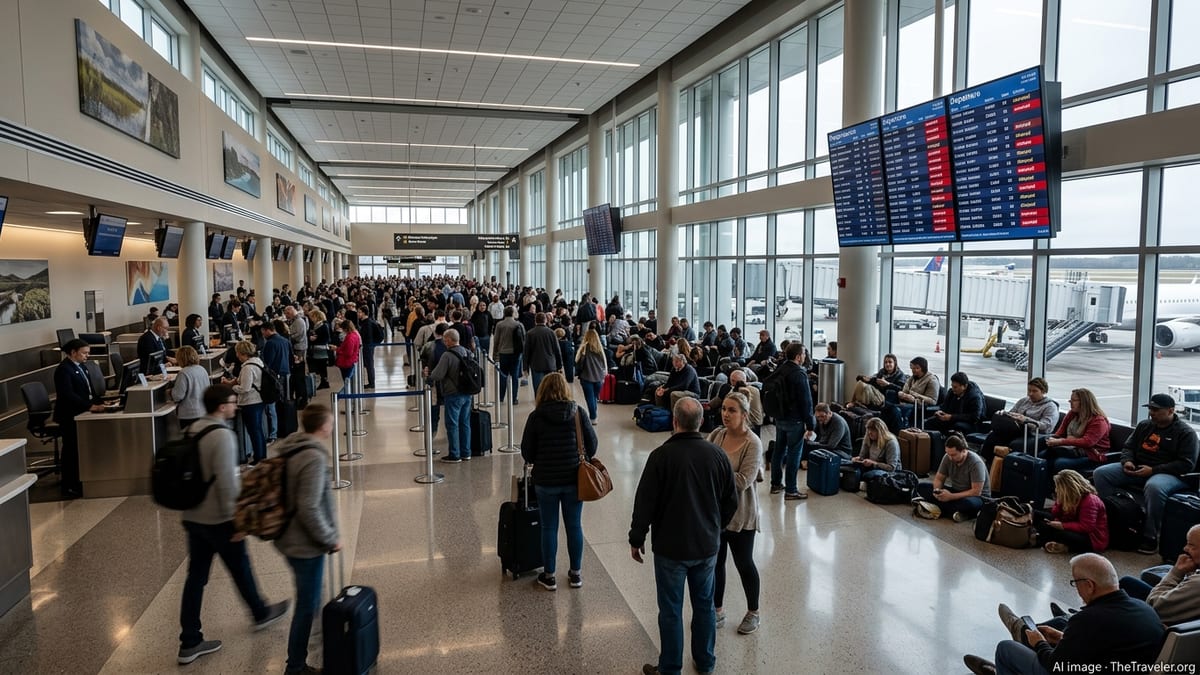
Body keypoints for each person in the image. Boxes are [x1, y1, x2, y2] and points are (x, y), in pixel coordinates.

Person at [177, 384, 288, 666]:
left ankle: (189, 640)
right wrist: (239, 521)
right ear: (221, 406)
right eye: (231, 402)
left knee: (196, 579)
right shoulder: (223, 436)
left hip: (193, 516)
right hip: (219, 519)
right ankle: (260, 613)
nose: (235, 405)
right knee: (240, 567)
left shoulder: (193, 429)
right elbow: (227, 485)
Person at [630, 397, 737, 675]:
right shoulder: (717, 456)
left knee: (670, 611)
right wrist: (716, 526)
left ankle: (670, 668)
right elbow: (731, 501)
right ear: (700, 422)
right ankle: (705, 662)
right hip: (706, 547)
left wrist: (636, 537)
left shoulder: (660, 457)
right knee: (704, 607)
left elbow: (645, 503)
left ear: (674, 422)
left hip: (670, 549)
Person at [962, 553, 1164, 675]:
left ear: (1089, 585)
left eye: (1075, 582)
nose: (1076, 589)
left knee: (1006, 649)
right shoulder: (1145, 609)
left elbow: (1056, 666)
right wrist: (1060, 638)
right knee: (1059, 628)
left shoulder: (1088, 619)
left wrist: (1039, 642)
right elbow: (1107, 648)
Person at [272, 403, 340, 674]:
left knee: (311, 596)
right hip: (305, 544)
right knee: (306, 604)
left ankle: (318, 639)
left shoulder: (293, 447)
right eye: (331, 422)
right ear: (323, 426)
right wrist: (330, 537)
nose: (333, 425)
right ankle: (296, 665)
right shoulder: (313, 458)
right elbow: (309, 506)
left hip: (289, 538)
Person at [1093, 393, 1199, 555]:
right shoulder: (1144, 426)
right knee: (1101, 474)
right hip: (1138, 467)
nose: (1152, 413)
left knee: (1154, 487)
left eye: (1156, 410)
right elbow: (1128, 448)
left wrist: (1154, 470)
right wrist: (1127, 461)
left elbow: (1186, 464)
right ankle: (1120, 515)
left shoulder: (1186, 433)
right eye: (1150, 409)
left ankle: (1150, 535)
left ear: (1171, 410)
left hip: (1171, 474)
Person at [520, 373, 597, 591]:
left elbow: (527, 452)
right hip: (574, 479)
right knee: (574, 526)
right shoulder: (578, 413)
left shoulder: (536, 417)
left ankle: (550, 575)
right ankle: (575, 574)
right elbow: (592, 446)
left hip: (545, 481)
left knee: (548, 527)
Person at [706, 392, 763, 636]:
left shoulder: (753, 443)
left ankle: (753, 612)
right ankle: (717, 610)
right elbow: (704, 461)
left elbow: (742, 481)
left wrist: (713, 476)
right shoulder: (717, 435)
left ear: (744, 414)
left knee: (744, 563)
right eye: (724, 409)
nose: (726, 414)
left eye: (732, 410)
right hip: (717, 513)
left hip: (741, 514)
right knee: (716, 562)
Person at [1022, 388, 1110, 489]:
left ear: (1084, 402)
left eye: (1074, 400)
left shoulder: (1098, 421)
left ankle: (1046, 487)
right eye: (1070, 400)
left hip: (1091, 454)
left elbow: (1087, 442)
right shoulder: (1072, 414)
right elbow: (1060, 433)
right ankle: (1041, 486)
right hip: (1072, 449)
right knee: (1042, 453)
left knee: (1059, 462)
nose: (1070, 403)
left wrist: (1062, 441)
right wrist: (1054, 440)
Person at [53, 338, 108, 497]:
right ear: (73, 353)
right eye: (84, 353)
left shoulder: (82, 367)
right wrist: (89, 406)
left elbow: (89, 391)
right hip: (69, 415)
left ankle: (82, 479)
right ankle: (69, 484)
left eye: (88, 353)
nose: (87, 356)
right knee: (71, 449)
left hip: (83, 411)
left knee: (81, 448)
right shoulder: (64, 370)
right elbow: (68, 394)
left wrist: (101, 402)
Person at [1119, 524, 1200, 625]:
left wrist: (1176, 573)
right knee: (1145, 576)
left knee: (1127, 583)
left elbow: (1154, 606)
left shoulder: (1196, 584)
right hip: (1182, 612)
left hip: (1161, 627)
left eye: (1191, 545)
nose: (1185, 548)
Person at [767, 343, 815, 501]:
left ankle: (775, 484)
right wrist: (810, 424)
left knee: (778, 451)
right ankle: (792, 490)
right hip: (795, 420)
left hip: (780, 417)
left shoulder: (781, 368)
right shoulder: (799, 374)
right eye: (803, 354)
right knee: (794, 454)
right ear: (798, 356)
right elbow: (806, 402)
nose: (805, 357)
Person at [979, 378, 1060, 464]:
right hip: (1015, 429)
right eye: (1029, 390)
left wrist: (1025, 420)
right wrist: (1007, 414)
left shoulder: (1050, 407)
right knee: (993, 436)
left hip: (1032, 434)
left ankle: (1003, 466)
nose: (1030, 394)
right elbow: (1011, 412)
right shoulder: (1024, 401)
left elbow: (1046, 427)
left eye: (1034, 391)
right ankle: (986, 462)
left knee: (1009, 442)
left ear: (1043, 391)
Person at [913, 434, 990, 522]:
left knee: (968, 504)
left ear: (964, 451)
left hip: (976, 497)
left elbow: (976, 491)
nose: (950, 457)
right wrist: (937, 491)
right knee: (921, 487)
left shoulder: (976, 462)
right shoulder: (948, 457)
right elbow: (939, 478)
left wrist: (951, 497)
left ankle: (938, 507)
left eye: (953, 455)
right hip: (956, 492)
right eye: (948, 454)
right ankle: (953, 512)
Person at [428, 328, 474, 463]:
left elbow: (437, 374)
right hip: (467, 393)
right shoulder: (467, 352)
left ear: (448, 340)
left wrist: (429, 375)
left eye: (444, 340)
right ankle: (466, 452)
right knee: (465, 423)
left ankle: (454, 454)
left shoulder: (447, 355)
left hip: (453, 394)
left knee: (452, 424)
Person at [1035, 470, 1108, 554]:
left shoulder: (1090, 500)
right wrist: (1059, 503)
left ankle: (1055, 544)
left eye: (1058, 487)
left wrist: (1063, 526)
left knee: (1060, 533)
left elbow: (1087, 527)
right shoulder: (1067, 497)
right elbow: (1055, 513)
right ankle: (1049, 541)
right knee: (1041, 518)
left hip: (1091, 538)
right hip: (1071, 525)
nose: (1056, 490)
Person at [222, 340, 266, 463]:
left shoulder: (247, 367)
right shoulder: (258, 362)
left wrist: (233, 387)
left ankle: (258, 457)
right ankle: (262, 455)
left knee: (254, 431)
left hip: (250, 402)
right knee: (258, 430)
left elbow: (245, 388)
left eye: (237, 353)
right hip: (259, 400)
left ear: (242, 353)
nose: (236, 356)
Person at [259, 320, 293, 443]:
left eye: (263, 332)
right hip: (286, 373)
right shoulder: (285, 340)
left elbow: (267, 363)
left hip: (274, 377)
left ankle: (274, 432)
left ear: (267, 330)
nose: (263, 335)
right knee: (283, 401)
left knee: (272, 404)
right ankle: (284, 427)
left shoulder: (270, 344)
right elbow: (291, 357)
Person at [926, 371, 985, 436]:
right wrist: (940, 412)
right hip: (953, 418)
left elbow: (975, 417)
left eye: (955, 387)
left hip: (970, 423)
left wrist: (951, 417)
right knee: (930, 422)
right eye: (952, 386)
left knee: (957, 427)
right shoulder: (952, 392)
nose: (953, 389)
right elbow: (944, 406)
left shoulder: (974, 397)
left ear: (964, 386)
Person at [890, 356, 941, 425]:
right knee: (889, 403)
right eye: (913, 368)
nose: (914, 370)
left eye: (916, 368)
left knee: (894, 410)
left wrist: (914, 398)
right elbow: (905, 390)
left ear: (923, 369)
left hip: (918, 406)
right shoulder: (913, 377)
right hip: (906, 401)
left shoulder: (931, 380)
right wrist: (902, 394)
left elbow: (932, 401)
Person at [170, 346, 211, 430]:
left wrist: (170, 392)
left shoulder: (183, 373)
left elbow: (178, 396)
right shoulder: (202, 369)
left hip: (189, 414)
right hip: (203, 410)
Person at [853, 417, 902, 484]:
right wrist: (858, 459)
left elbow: (891, 467)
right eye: (868, 430)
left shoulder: (891, 442)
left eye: (873, 430)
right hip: (871, 467)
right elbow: (862, 457)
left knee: (869, 475)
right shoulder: (868, 438)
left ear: (880, 431)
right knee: (853, 468)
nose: (870, 432)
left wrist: (874, 463)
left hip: (887, 471)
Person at [493, 306, 526, 404]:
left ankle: (501, 397)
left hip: (503, 353)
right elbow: (523, 340)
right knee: (514, 376)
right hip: (516, 354)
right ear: (513, 313)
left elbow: (496, 340)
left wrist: (495, 354)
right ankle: (514, 398)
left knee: (503, 375)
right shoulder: (518, 324)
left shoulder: (500, 325)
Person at [523, 312, 562, 395]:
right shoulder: (551, 333)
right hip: (550, 364)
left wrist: (525, 367)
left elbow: (526, 351)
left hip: (536, 364)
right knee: (550, 388)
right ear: (545, 321)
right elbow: (557, 350)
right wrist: (560, 365)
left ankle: (540, 404)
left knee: (538, 389)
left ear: (535, 321)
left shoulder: (530, 333)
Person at [575, 328, 607, 423]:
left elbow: (578, 362)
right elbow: (604, 363)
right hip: (599, 378)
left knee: (590, 398)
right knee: (594, 397)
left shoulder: (583, 348)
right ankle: (594, 415)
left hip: (586, 376)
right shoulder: (600, 349)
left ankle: (593, 417)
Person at [334, 318, 361, 390]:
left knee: (347, 381)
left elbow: (348, 352)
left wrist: (337, 349)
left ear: (346, 329)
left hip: (346, 362)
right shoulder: (355, 335)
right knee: (350, 381)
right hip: (351, 361)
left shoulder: (350, 338)